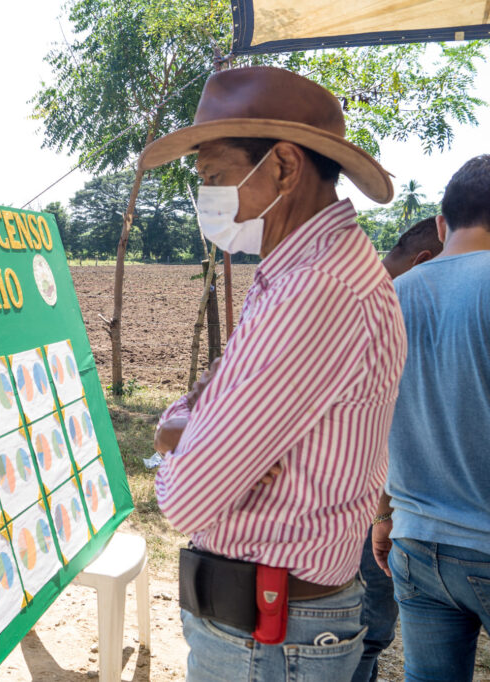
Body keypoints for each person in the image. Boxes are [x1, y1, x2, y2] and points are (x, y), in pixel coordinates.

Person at [145, 65, 406, 681]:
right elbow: (204, 412)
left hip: (268, 637)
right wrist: (193, 426)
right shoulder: (305, 272)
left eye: (215, 177)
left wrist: (175, 439)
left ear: (284, 166)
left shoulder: (315, 289)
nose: (207, 198)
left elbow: (187, 499)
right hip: (273, 625)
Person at [372, 155, 490, 681]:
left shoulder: (388, 299)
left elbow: (375, 423)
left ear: (442, 225)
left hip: (415, 541)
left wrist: (383, 515)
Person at [352, 216, 442, 682]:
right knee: (363, 635)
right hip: (366, 508)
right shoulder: (383, 314)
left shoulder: (356, 299)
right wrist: (383, 514)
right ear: (424, 263)